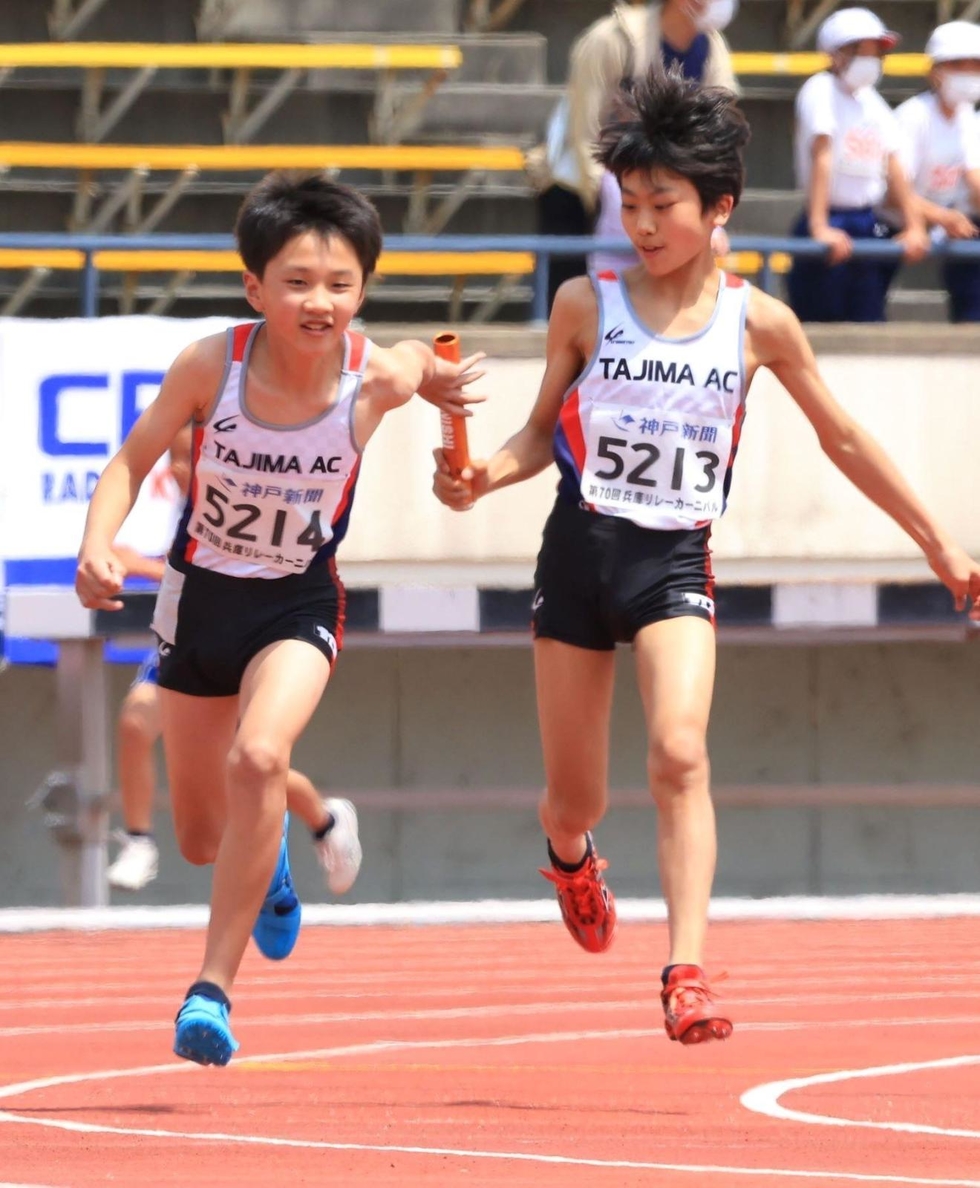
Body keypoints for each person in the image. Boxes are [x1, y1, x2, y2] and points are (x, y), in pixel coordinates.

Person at [434, 69, 980, 1045]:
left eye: (662, 206)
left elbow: (842, 438)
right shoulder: (582, 305)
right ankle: (569, 858)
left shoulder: (757, 323)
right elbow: (530, 438)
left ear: (717, 206)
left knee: (680, 751)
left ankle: (683, 968)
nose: (640, 224)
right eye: (628, 204)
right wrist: (479, 481)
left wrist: (939, 543)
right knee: (575, 799)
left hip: (672, 563)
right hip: (575, 557)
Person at [76, 171, 484, 1067]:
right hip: (201, 601)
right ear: (255, 287)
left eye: (341, 285)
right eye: (297, 282)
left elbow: (415, 359)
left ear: (363, 291)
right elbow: (130, 460)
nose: (319, 302)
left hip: (297, 600)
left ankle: (211, 992)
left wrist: (435, 376)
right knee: (198, 839)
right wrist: (97, 544)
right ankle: (274, 860)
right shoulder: (210, 366)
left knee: (259, 755)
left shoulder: (367, 379)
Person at [107, 426, 363, 897]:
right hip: (190, 634)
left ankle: (322, 820)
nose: (183, 470)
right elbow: (182, 561)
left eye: (191, 457)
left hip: (262, 631)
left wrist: (138, 564)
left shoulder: (251, 481)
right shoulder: (188, 505)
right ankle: (139, 839)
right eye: (176, 461)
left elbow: (241, 559)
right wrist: (111, 555)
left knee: (249, 760)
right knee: (136, 724)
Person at [531, 0, 737, 306]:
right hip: (582, 194)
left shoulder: (713, 48)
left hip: (663, 195)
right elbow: (586, 131)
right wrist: (618, 202)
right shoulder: (611, 40)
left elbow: (719, 136)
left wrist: (707, 212)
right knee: (577, 305)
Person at [787, 7, 929, 322]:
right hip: (830, 217)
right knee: (821, 316)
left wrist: (914, 225)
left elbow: (894, 166)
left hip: (868, 222)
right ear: (837, 53)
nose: (872, 58)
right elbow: (822, 155)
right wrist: (820, 225)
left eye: (876, 51)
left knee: (868, 316)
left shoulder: (873, 103)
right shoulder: (820, 90)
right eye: (862, 49)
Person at [894, 21, 980, 323]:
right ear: (936, 71)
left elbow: (974, 181)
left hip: (951, 225)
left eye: (975, 65)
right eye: (958, 64)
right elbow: (894, 193)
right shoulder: (913, 116)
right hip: (893, 223)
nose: (969, 73)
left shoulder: (969, 117)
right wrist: (941, 217)